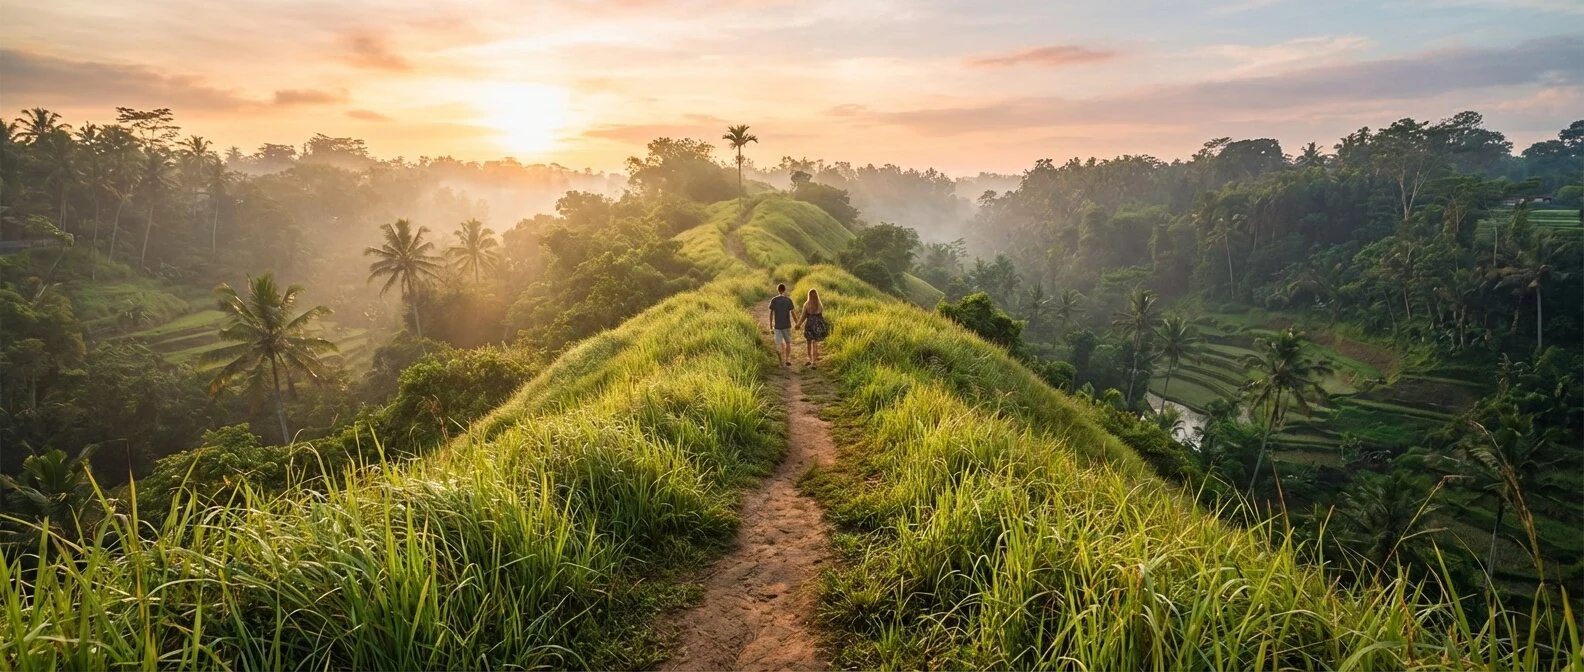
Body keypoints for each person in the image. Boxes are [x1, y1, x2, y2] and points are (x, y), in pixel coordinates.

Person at [795, 288, 829, 366]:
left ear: (809, 295)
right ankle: (814, 362)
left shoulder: (806, 304)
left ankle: (810, 359)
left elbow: (803, 316)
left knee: (809, 342)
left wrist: (798, 324)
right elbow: (821, 315)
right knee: (815, 343)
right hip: (818, 325)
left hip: (810, 325)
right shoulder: (819, 304)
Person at [768, 283, 795, 366]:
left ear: (778, 290)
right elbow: (793, 313)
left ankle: (780, 358)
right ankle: (787, 359)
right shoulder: (788, 300)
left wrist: (770, 325)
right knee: (788, 343)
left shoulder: (774, 300)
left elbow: (771, 314)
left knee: (778, 344)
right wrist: (797, 322)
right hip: (787, 325)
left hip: (777, 326)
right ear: (784, 290)